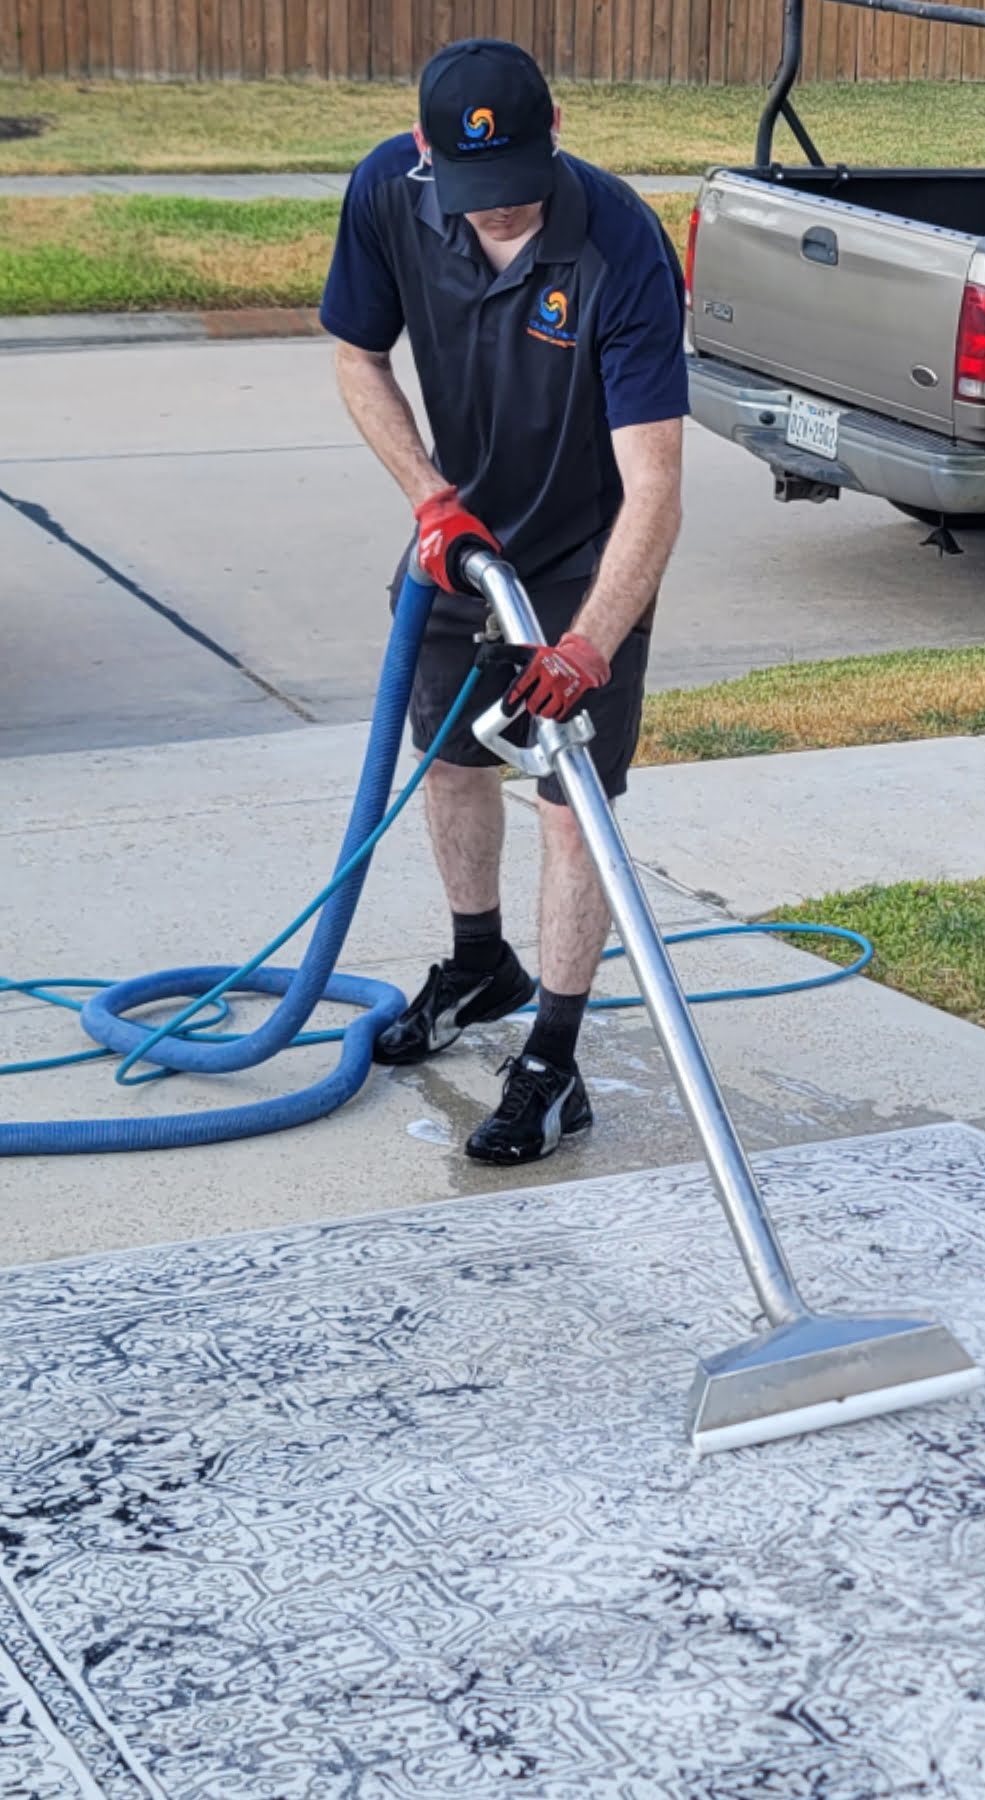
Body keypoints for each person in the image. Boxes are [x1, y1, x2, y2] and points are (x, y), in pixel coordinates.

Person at [320, 36, 687, 1167]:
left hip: (586, 557)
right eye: (478, 190)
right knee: (447, 758)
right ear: (425, 152)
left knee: (571, 804)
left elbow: (655, 486)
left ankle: (554, 1062)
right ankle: (481, 962)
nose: (502, 209)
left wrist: (589, 643)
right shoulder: (388, 191)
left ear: (556, 132)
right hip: (459, 538)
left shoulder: (620, 245)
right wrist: (428, 498)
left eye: (519, 182)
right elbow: (356, 356)